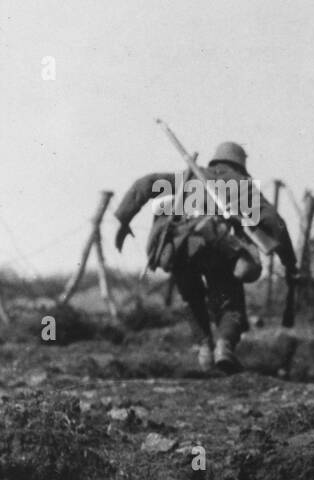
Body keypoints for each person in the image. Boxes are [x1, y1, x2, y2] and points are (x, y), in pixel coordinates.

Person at [114, 142, 299, 374]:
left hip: (182, 249)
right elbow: (275, 223)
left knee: (192, 301)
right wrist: (289, 261)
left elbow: (145, 184)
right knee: (231, 306)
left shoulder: (189, 177)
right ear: (240, 165)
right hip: (219, 250)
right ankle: (224, 347)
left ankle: (204, 351)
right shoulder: (242, 185)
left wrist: (123, 220)